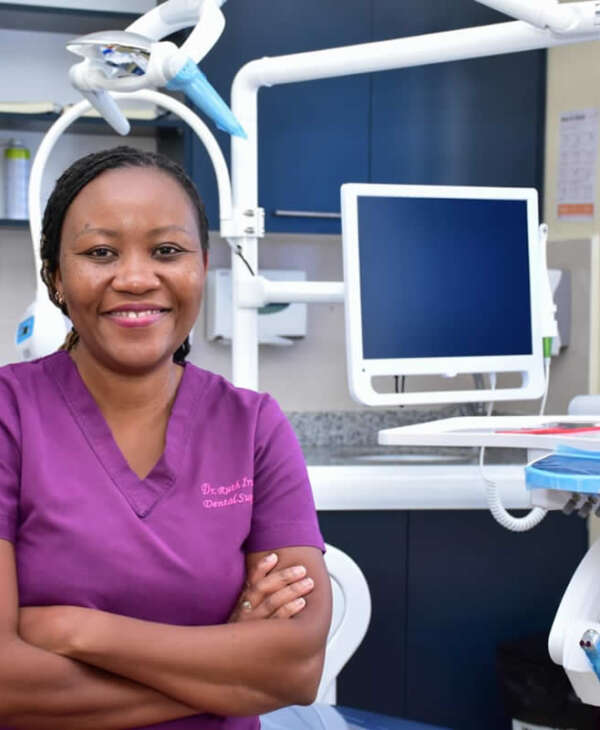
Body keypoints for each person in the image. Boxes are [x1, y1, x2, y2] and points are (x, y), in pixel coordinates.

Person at [0, 146, 331, 729]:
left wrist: (78, 630)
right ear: (56, 277)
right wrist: (236, 678)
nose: (135, 278)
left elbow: (298, 666)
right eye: (100, 253)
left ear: (201, 266)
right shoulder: (10, 415)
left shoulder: (252, 425)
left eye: (167, 251)